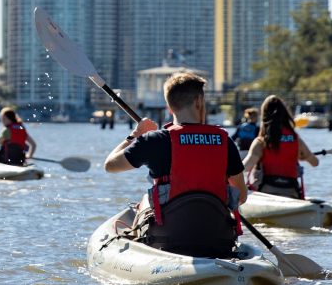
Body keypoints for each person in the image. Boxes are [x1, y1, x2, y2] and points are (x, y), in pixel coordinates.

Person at [103, 72, 245, 259]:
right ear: (199, 101)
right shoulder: (225, 141)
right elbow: (241, 197)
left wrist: (136, 135)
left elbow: (110, 165)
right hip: (218, 240)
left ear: (169, 107)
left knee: (146, 200)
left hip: (167, 240)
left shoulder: (154, 140)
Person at [242, 95, 319, 199]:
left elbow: (245, 168)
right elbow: (315, 163)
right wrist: (300, 156)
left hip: (265, 191)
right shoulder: (296, 140)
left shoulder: (261, 141)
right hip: (291, 191)